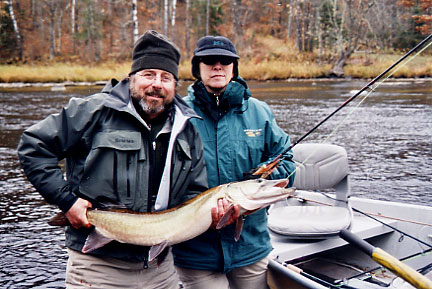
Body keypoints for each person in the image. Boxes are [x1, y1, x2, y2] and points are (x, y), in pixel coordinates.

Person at [17, 30, 208, 289]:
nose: (157, 84)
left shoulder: (187, 130)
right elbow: (33, 146)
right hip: (97, 266)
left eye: (166, 77)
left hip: (160, 269)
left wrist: (212, 215)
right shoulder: (92, 111)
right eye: (148, 74)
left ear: (175, 85)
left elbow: (195, 193)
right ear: (131, 78)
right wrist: (66, 201)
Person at [172, 36, 297, 289]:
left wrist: (258, 186)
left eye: (225, 61)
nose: (218, 66)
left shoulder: (260, 112)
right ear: (198, 68)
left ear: (233, 67)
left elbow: (288, 163)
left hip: (251, 247)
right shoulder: (176, 115)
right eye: (209, 60)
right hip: (196, 254)